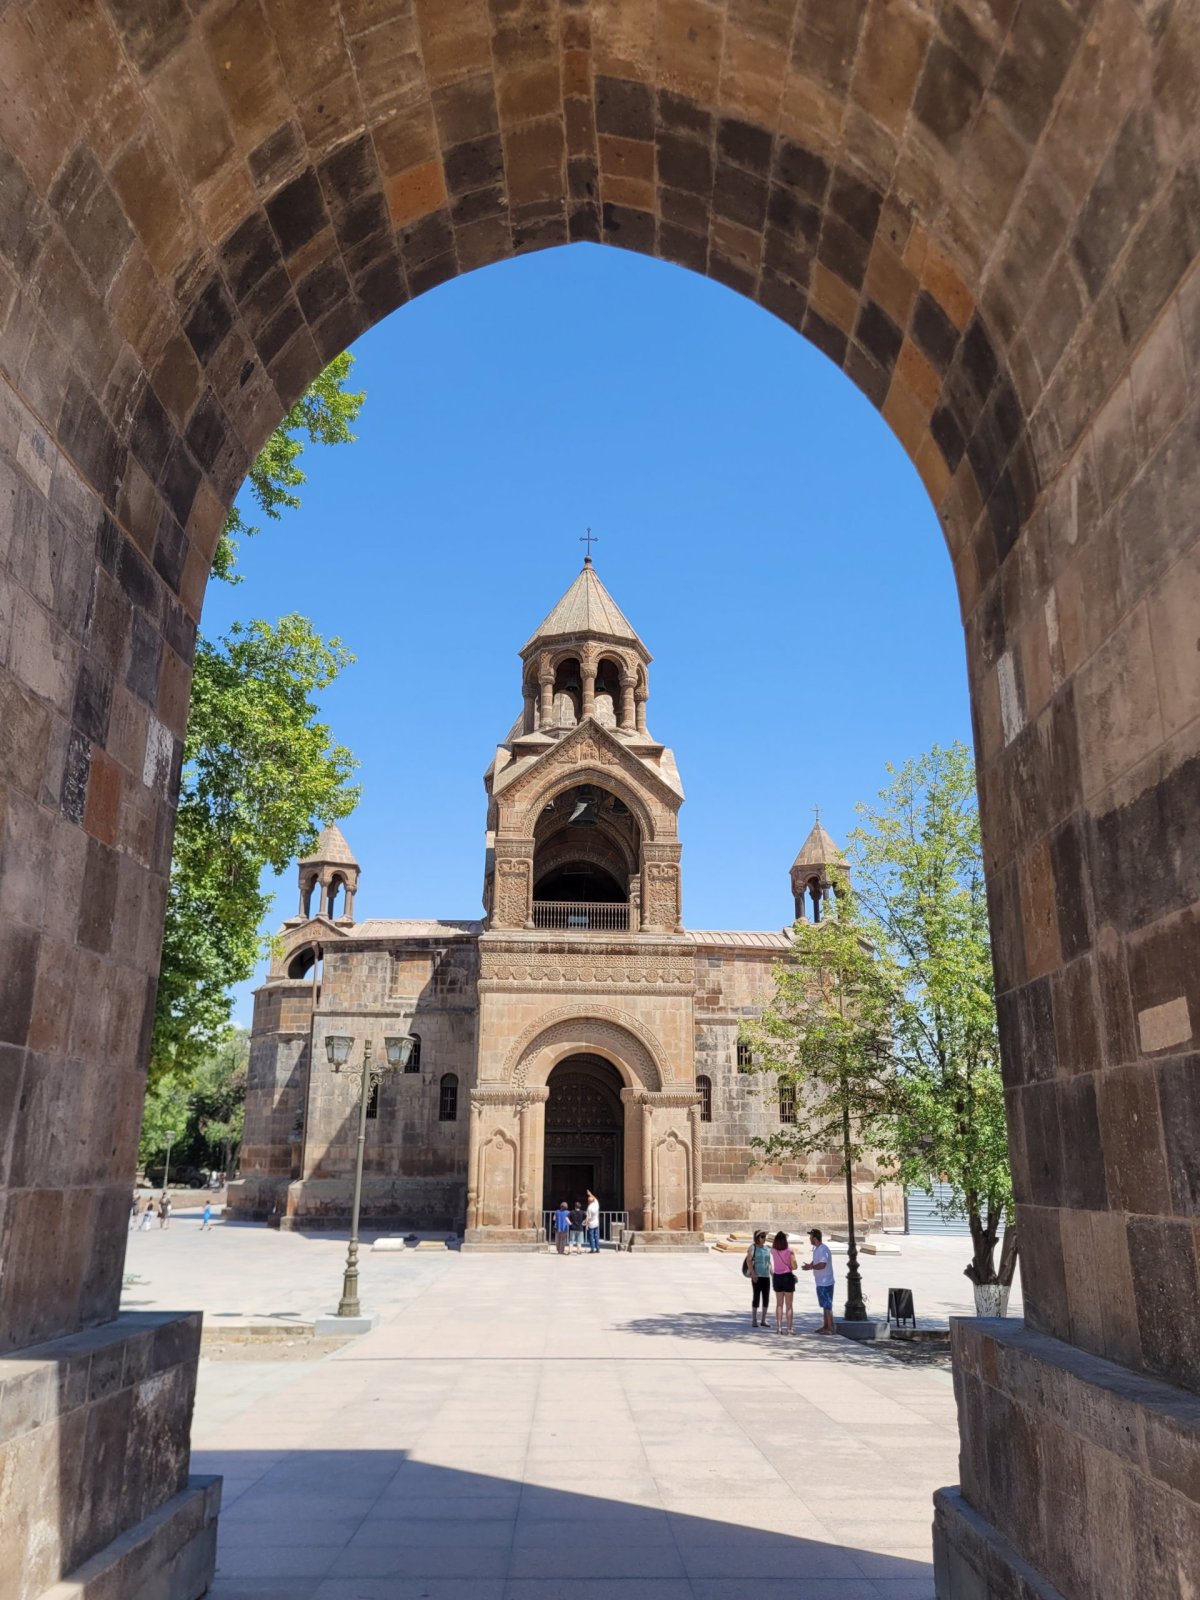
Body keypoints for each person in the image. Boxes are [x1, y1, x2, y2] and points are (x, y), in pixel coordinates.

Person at [801, 1227, 836, 1334]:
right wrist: (810, 1265)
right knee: (825, 1305)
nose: (809, 1239)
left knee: (827, 1305)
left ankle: (829, 1328)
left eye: (810, 1237)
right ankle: (826, 1326)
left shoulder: (823, 1249)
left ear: (815, 1238)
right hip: (821, 1281)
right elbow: (817, 1260)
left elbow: (822, 1264)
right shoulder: (817, 1249)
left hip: (825, 1281)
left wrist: (811, 1267)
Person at [770, 1230, 798, 1334]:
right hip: (787, 1277)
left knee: (779, 1304)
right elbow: (794, 1266)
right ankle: (790, 1328)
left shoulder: (773, 1250)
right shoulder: (789, 1251)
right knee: (789, 1305)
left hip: (777, 1277)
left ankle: (779, 1327)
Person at [744, 1230, 772, 1327]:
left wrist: (772, 1272)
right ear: (757, 1237)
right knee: (756, 1297)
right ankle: (754, 1319)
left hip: (766, 1276)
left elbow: (769, 1262)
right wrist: (753, 1274)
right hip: (757, 1275)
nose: (764, 1238)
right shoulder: (753, 1248)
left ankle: (763, 1320)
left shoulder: (767, 1248)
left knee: (766, 1298)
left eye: (765, 1236)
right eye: (762, 1236)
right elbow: (749, 1261)